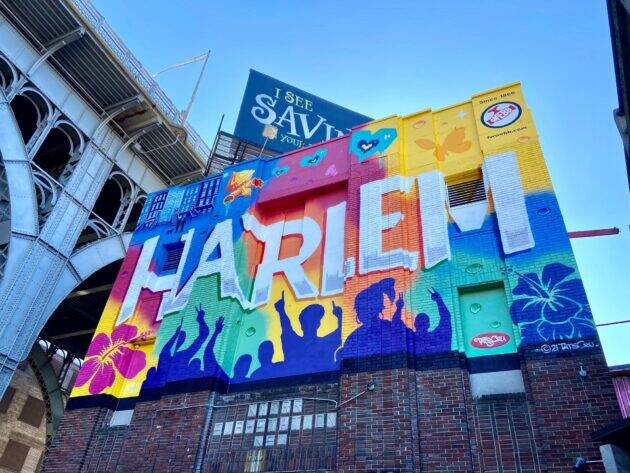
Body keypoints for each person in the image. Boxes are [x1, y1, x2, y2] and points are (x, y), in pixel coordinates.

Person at [273, 291, 341, 374]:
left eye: (315, 320)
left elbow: (340, 333)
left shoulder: (325, 343)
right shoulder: (295, 343)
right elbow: (286, 328)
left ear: (318, 324)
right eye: (311, 320)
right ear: (302, 324)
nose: (313, 323)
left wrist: (281, 310)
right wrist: (281, 311)